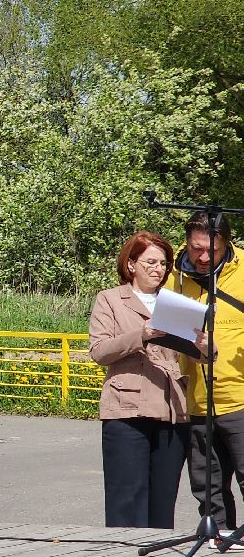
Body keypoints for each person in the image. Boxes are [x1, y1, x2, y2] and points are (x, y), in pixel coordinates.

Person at [87, 231, 191, 528]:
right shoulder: (110, 299)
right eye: (150, 262)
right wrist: (141, 335)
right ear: (131, 264)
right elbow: (100, 351)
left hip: (172, 410)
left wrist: (205, 346)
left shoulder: (176, 303)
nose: (158, 269)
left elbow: (197, 355)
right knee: (126, 498)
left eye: (164, 264)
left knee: (163, 500)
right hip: (126, 408)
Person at [171, 211, 244, 538]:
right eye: (194, 248)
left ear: (226, 245)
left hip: (241, 399)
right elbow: (169, 336)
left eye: (210, 251)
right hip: (198, 400)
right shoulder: (176, 275)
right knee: (207, 484)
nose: (201, 257)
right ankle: (221, 537)